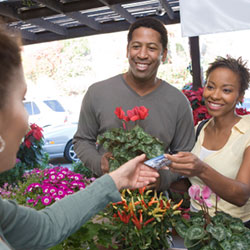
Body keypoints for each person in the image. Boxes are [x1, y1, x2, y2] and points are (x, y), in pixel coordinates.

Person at [0, 25, 160, 250]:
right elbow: (82, 140)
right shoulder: (98, 92)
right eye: (22, 100)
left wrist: (115, 180)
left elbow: (47, 227)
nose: (27, 121)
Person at [73, 17, 195, 191]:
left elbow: (184, 154)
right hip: (105, 197)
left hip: (155, 204)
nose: (142, 54)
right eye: (136, 46)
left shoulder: (178, 101)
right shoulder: (97, 93)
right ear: (127, 50)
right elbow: (82, 140)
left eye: (152, 48)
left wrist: (162, 179)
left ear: (164, 54)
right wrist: (100, 163)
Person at [166, 56, 250, 224]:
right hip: (199, 231)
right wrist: (160, 175)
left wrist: (200, 169)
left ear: (240, 96)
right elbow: (193, 185)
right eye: (210, 87)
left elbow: (241, 195)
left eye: (226, 90)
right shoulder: (200, 129)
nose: (215, 95)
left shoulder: (247, 132)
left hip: (236, 234)